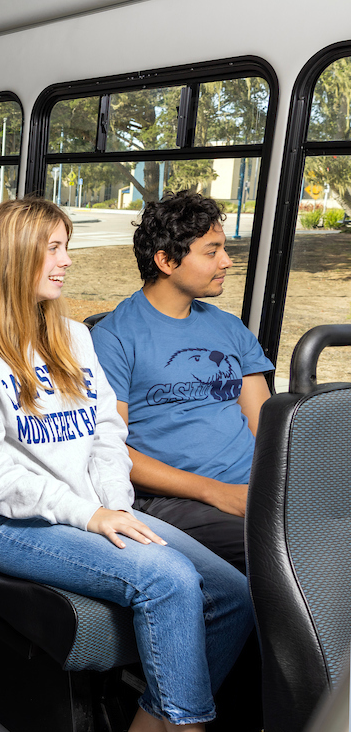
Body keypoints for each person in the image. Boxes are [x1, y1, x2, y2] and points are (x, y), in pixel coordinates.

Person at [0, 198, 252, 732]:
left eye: (66, 248)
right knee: (168, 577)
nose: (68, 260)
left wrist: (115, 508)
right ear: (14, 255)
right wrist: (90, 516)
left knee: (234, 596)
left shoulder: (73, 336)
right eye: (55, 248)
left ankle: (147, 727)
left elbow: (106, 435)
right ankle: (189, 731)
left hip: (94, 509)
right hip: (11, 526)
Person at [90, 191, 273, 571]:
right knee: (279, 553)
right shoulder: (114, 337)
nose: (226, 262)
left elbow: (266, 428)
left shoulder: (229, 328)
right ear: (167, 260)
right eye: (212, 252)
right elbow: (110, 451)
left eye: (223, 250)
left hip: (253, 489)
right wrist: (217, 492)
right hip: (177, 500)